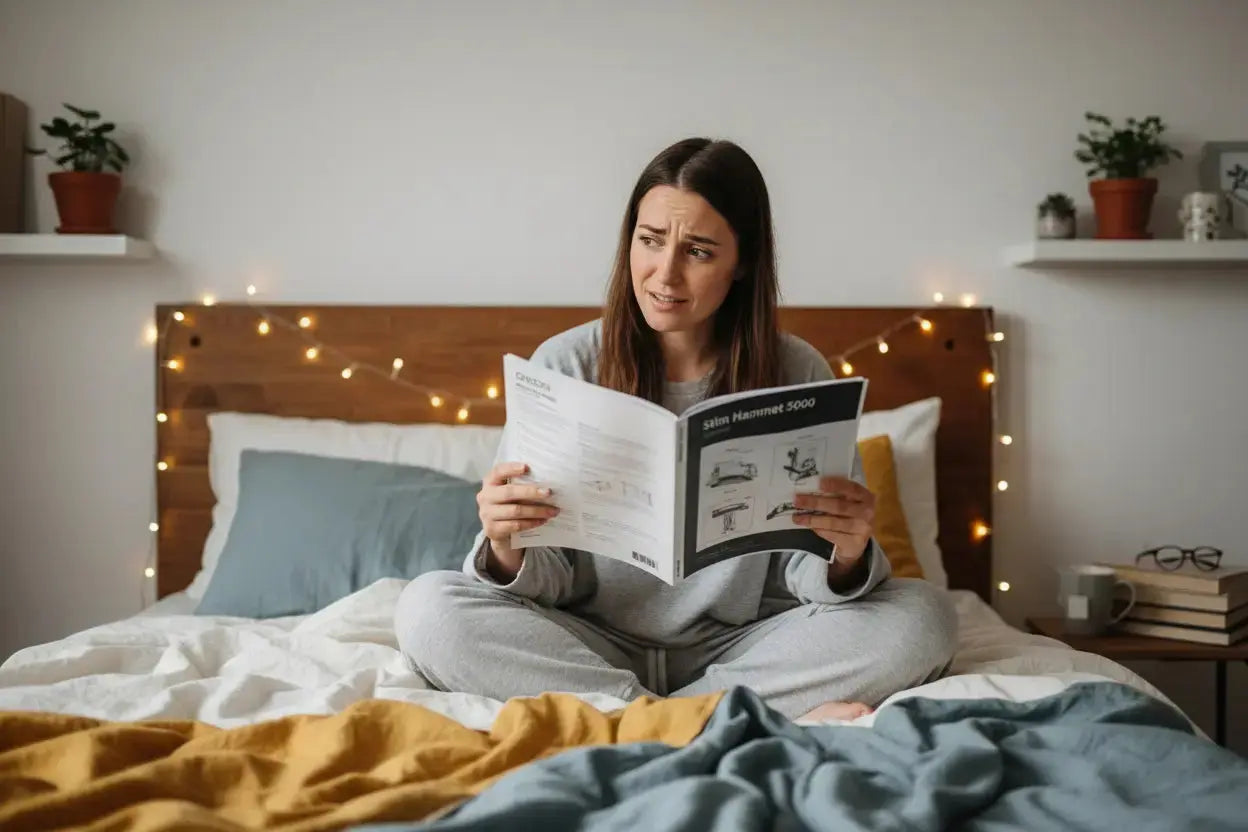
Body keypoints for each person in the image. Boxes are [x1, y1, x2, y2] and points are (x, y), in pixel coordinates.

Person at [395, 137, 957, 721]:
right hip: (589, 645)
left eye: (699, 251)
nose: (665, 274)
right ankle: (703, 721)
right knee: (427, 607)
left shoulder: (798, 372)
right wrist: (507, 545)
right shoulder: (564, 366)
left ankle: (641, 723)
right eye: (650, 240)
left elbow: (807, 579)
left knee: (923, 619)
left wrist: (845, 551)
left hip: (745, 646)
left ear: (742, 262)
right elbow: (545, 580)